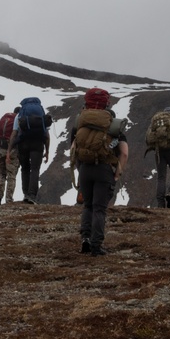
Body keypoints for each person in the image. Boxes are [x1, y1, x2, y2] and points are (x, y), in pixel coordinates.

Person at [71, 88, 129, 256]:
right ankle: (96, 246)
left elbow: (73, 149)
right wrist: (117, 173)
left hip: (85, 169)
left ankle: (85, 240)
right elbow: (124, 153)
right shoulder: (113, 126)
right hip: (103, 170)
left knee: (87, 206)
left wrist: (80, 169)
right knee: (99, 209)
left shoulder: (81, 122)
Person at [8, 98, 51, 204]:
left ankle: (26, 194)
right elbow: (46, 134)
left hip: (23, 143)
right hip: (38, 144)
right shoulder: (41, 115)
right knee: (35, 169)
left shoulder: (19, 115)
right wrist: (47, 150)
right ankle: (32, 195)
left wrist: (9, 150)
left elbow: (14, 134)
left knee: (25, 168)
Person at [0, 107, 20, 205]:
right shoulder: (17, 120)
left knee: (2, 173)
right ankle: (9, 199)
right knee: (11, 175)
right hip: (11, 151)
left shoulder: (4, 118)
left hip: (0, 149)